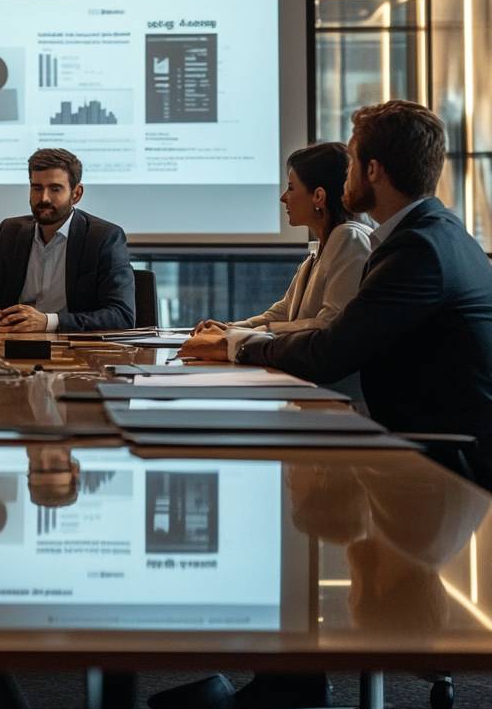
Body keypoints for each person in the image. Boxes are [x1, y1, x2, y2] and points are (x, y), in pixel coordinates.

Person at [178, 100, 492, 470]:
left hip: (440, 460)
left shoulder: (417, 249)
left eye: (353, 163)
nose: (346, 176)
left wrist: (234, 345)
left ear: (372, 170)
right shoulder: (434, 232)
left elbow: (329, 351)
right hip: (419, 441)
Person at [193, 142, 372, 399]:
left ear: (318, 196)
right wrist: (231, 328)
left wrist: (239, 336)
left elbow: (328, 324)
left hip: (335, 397)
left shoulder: (348, 238)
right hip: (307, 387)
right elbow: (282, 312)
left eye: (291, 188)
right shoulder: (322, 246)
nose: (283, 197)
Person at [0, 148, 135, 333]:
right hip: (12, 346)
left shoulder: (103, 238)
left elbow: (121, 315)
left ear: (76, 194)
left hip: (75, 351)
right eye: (37, 188)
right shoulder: (10, 233)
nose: (44, 198)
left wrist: (48, 322)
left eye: (55, 189)